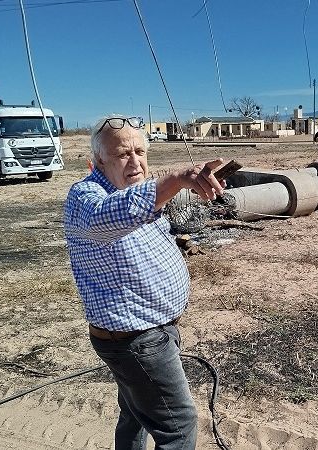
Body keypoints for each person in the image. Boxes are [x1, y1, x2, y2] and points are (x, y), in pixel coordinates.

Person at [64, 114, 226, 450]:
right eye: (123, 154)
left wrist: (185, 186)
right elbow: (106, 218)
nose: (135, 162)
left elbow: (146, 214)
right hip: (135, 341)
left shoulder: (138, 189)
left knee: (136, 413)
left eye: (140, 151)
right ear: (96, 162)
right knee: (178, 425)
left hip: (151, 333)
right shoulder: (85, 196)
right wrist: (175, 180)